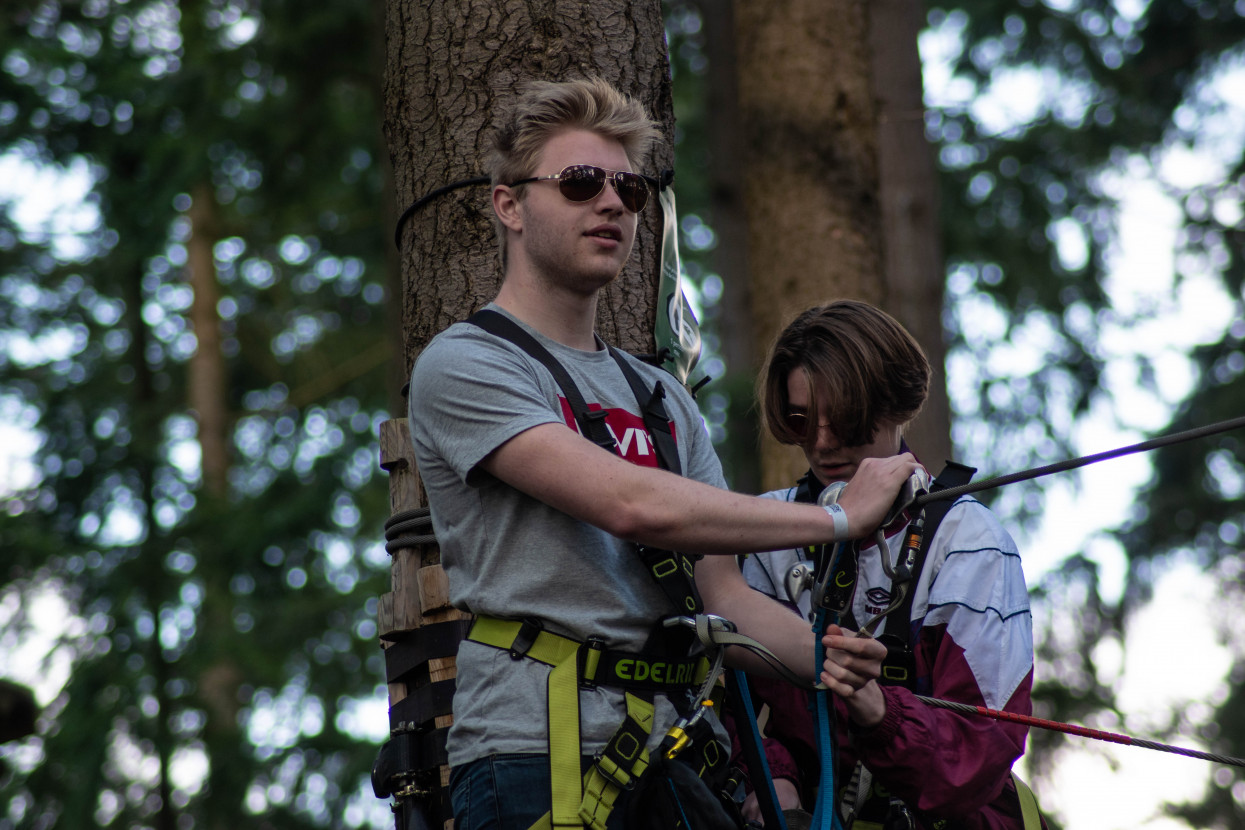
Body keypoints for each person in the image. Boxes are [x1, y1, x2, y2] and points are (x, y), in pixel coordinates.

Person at [406, 78, 922, 830]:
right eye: (580, 183)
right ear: (508, 205)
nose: (612, 204)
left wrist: (830, 661)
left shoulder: (660, 397)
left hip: (676, 754)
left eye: (629, 188)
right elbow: (632, 505)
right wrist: (838, 520)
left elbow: (724, 596)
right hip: (534, 758)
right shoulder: (467, 364)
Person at [729, 300, 1040, 829]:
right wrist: (771, 784)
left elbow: (977, 756)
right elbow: (727, 695)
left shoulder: (968, 541)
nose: (823, 443)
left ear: (897, 405)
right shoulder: (764, 528)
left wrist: (878, 708)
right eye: (803, 420)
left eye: (845, 420)